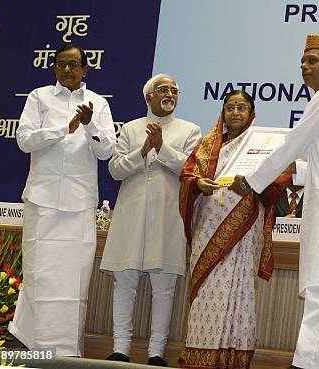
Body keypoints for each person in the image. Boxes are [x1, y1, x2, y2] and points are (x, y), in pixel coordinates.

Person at [230, 35, 319, 369]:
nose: (304, 67)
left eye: (313, 61)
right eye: (302, 61)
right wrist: (284, 175)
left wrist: (251, 181)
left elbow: (291, 144)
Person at [10, 43, 116, 356]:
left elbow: (106, 150)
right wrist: (63, 128)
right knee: (39, 274)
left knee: (73, 280)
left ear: (85, 70)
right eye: (60, 64)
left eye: (73, 65)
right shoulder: (38, 97)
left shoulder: (97, 103)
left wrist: (90, 125)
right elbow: (25, 140)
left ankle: (66, 351)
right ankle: (33, 345)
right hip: (42, 200)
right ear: (54, 68)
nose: (66, 70)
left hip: (79, 203)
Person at [178, 90, 291, 369]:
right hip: (208, 227)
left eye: (242, 107)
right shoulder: (206, 145)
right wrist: (198, 184)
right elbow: (188, 175)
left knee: (239, 290)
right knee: (206, 290)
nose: (236, 112)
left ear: (252, 113)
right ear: (223, 113)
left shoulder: (266, 146)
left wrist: (256, 183)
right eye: (230, 107)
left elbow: (281, 177)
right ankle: (200, 356)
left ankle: (232, 358)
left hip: (244, 229)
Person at [100, 74, 201, 366]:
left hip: (168, 216)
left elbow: (191, 170)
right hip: (131, 214)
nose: (170, 94)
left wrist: (162, 147)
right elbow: (115, 170)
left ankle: (156, 353)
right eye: (163, 89)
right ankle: (121, 348)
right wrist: (143, 149)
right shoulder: (131, 129)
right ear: (148, 98)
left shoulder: (189, 130)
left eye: (174, 90)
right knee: (125, 282)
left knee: (164, 286)